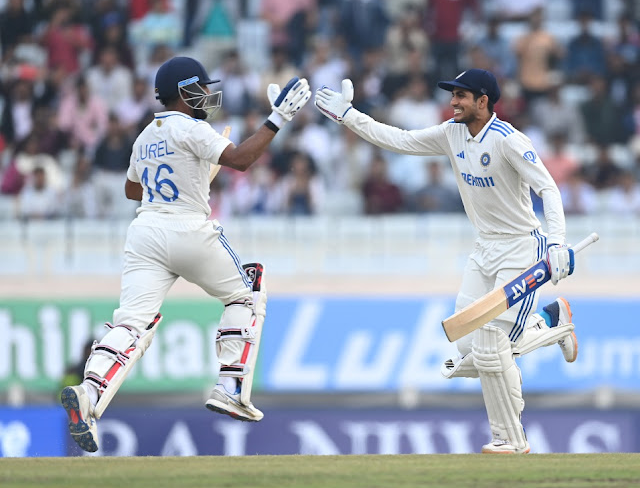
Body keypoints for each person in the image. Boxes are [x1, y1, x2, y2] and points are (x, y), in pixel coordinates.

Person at [314, 69, 577, 454]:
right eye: (453, 95)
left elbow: (547, 188)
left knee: (492, 344)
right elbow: (400, 140)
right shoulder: (451, 133)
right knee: (471, 345)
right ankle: (554, 321)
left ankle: (510, 439)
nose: (453, 102)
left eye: (461, 96)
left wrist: (556, 242)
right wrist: (349, 116)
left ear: (483, 101)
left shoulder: (508, 141)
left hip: (522, 248)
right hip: (484, 248)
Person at [60, 56, 312, 453]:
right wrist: (278, 117)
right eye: (202, 88)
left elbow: (131, 190)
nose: (208, 95)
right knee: (246, 293)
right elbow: (242, 160)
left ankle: (89, 393)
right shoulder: (193, 127)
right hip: (187, 228)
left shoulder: (146, 134)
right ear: (184, 91)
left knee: (132, 324)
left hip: (144, 233)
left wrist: (180, 179)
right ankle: (230, 386)